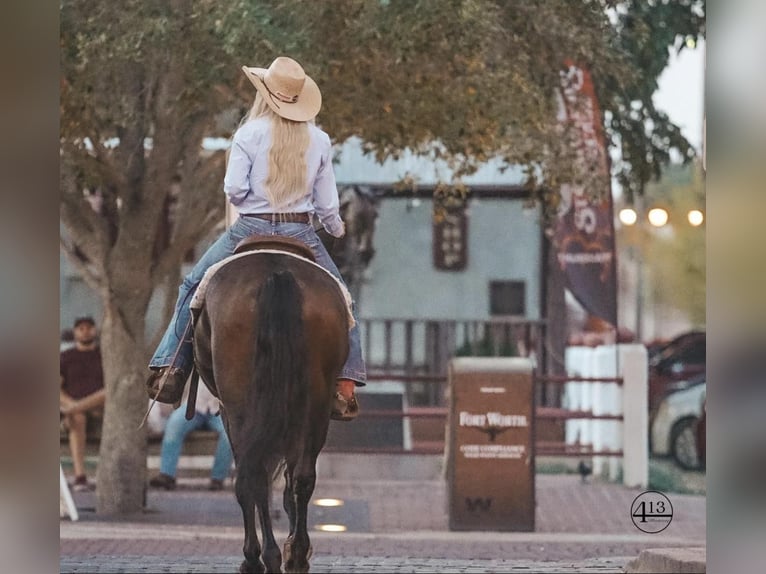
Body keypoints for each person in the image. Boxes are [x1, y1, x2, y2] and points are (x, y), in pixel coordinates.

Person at [146, 56, 366, 420]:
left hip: (250, 226)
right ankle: (345, 385)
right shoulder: (320, 140)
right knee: (345, 303)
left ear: (265, 94)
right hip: (301, 230)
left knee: (191, 285)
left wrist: (253, 206)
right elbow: (328, 204)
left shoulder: (248, 134)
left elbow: (233, 188)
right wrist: (336, 227)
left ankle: (170, 367)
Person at [148, 383, 234, 491]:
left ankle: (218, 479)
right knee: (175, 423)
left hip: (221, 409)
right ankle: (166, 475)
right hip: (195, 404)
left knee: (229, 433)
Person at [60, 316, 106, 491]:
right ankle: (80, 476)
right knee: (76, 417)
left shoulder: (104, 354)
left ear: (95, 330)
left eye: (89, 327)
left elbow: (110, 388)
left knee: (107, 393)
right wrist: (71, 404)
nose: (85, 331)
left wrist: (73, 407)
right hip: (74, 409)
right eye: (81, 328)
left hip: (101, 406)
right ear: (75, 332)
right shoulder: (66, 357)